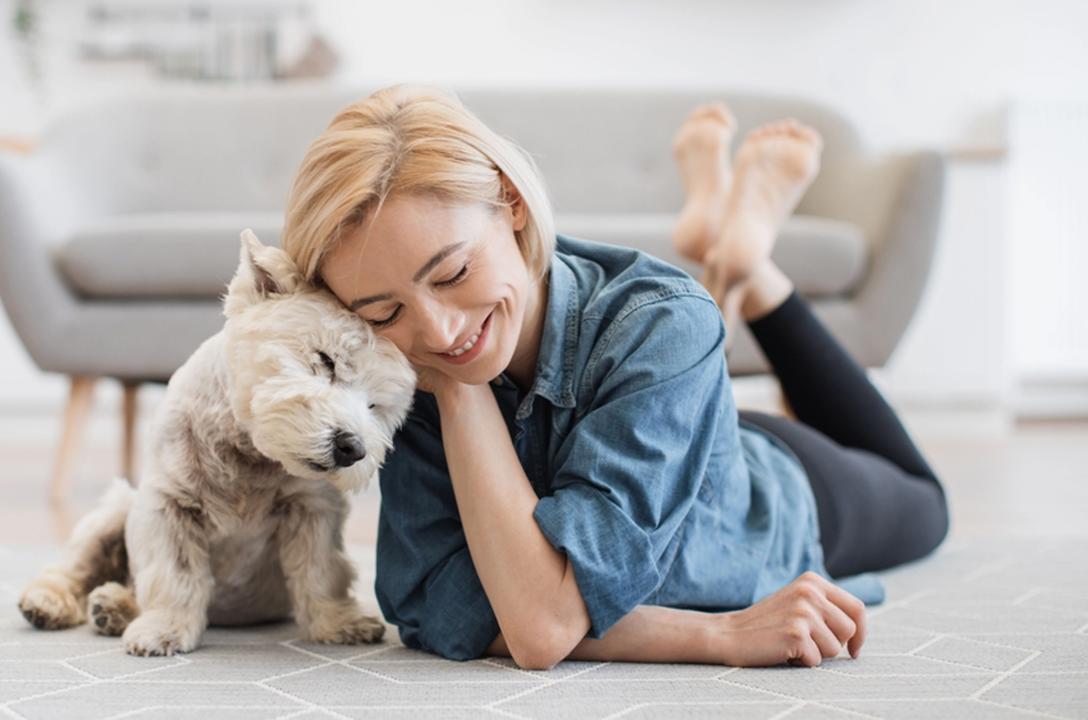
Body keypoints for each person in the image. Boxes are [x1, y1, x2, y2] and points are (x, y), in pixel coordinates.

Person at [279, 85, 950, 670]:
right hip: (658, 417)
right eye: (385, 310)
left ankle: (752, 268)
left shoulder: (661, 324)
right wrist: (716, 636)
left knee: (927, 509)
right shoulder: (398, 365)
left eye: (452, 274)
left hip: (765, 488)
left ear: (510, 201)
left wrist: (455, 384)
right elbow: (442, 607)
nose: (440, 333)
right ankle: (729, 241)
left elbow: (535, 627)